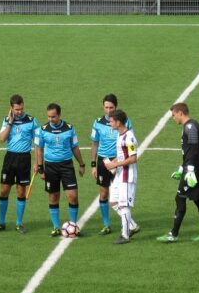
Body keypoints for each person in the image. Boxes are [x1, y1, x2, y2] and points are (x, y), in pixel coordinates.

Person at [157, 103, 199, 243]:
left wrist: (190, 171)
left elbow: (193, 150)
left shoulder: (190, 127)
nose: (173, 118)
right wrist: (182, 169)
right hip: (194, 166)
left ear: (180, 113)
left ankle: (173, 234)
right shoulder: (190, 126)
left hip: (194, 169)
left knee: (180, 198)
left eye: (173, 115)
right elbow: (190, 152)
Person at [0, 94, 39, 234]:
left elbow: (38, 143)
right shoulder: (6, 120)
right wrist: (10, 123)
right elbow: (2, 138)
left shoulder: (32, 121)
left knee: (21, 191)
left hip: (24, 159)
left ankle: (19, 223)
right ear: (11, 108)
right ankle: (1, 222)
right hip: (10, 158)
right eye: (17, 109)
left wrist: (37, 162)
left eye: (21, 108)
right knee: (4, 190)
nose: (19, 112)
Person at [90, 93, 139, 236]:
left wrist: (115, 164)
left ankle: (126, 233)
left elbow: (132, 155)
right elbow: (94, 143)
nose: (109, 111)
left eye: (111, 108)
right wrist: (96, 164)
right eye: (106, 107)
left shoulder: (127, 133)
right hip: (108, 162)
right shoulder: (99, 123)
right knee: (109, 197)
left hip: (123, 170)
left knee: (122, 203)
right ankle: (118, 225)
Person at [34, 103, 85, 236]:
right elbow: (38, 149)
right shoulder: (42, 130)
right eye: (49, 117)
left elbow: (75, 147)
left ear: (59, 115)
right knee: (53, 196)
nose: (51, 119)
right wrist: (40, 168)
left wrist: (81, 164)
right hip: (50, 167)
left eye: (54, 117)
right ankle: (56, 227)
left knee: (73, 196)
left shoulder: (69, 128)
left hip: (66, 166)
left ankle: (73, 225)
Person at [104, 110, 138, 245]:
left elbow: (133, 158)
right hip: (119, 174)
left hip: (127, 176)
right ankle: (133, 226)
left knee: (124, 205)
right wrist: (113, 163)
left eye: (111, 121)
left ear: (118, 122)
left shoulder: (129, 137)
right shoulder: (119, 135)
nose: (109, 123)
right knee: (113, 202)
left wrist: (116, 164)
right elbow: (122, 155)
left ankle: (125, 235)